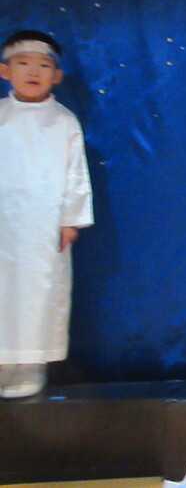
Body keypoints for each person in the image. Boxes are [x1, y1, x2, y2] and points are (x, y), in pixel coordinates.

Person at [0, 30, 93, 398]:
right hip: (3, 223)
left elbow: (76, 173)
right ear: (5, 71)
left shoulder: (63, 121)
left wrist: (70, 219)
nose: (32, 71)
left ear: (56, 75)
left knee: (37, 293)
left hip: (42, 227)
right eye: (23, 63)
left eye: (42, 65)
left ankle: (29, 369)